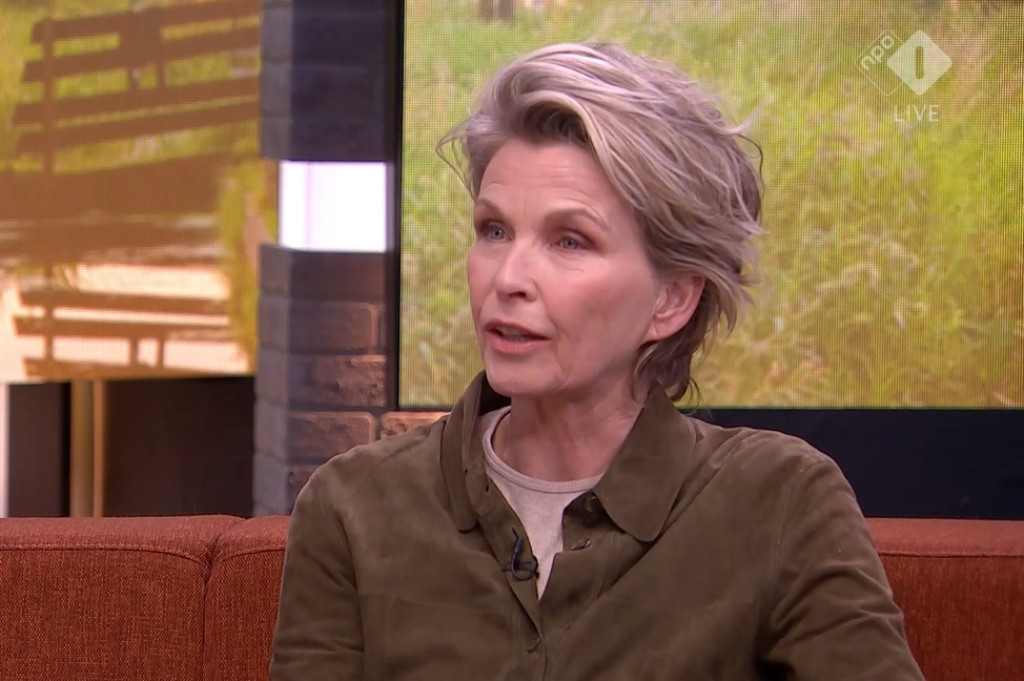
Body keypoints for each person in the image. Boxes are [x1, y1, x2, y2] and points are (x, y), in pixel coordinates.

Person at [269, 42, 925, 680]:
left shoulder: (779, 502)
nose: (508, 278)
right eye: (494, 230)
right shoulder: (354, 506)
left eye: (570, 241)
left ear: (672, 298)